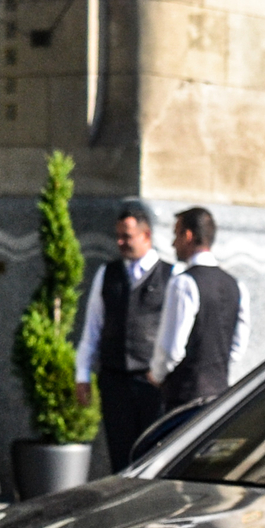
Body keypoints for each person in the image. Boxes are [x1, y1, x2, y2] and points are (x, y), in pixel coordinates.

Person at [73, 198, 173, 467]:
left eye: (126, 237)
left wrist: (167, 373)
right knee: (120, 455)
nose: (120, 243)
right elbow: (92, 327)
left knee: (153, 454)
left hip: (151, 381)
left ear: (146, 235)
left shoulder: (170, 275)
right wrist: (82, 374)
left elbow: (176, 331)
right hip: (114, 379)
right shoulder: (108, 273)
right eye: (118, 237)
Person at [149, 206, 248, 417]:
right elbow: (237, 348)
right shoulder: (236, 286)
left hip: (184, 398)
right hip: (219, 394)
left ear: (188, 235)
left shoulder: (184, 283)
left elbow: (171, 349)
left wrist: (156, 375)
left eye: (176, 235)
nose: (173, 243)